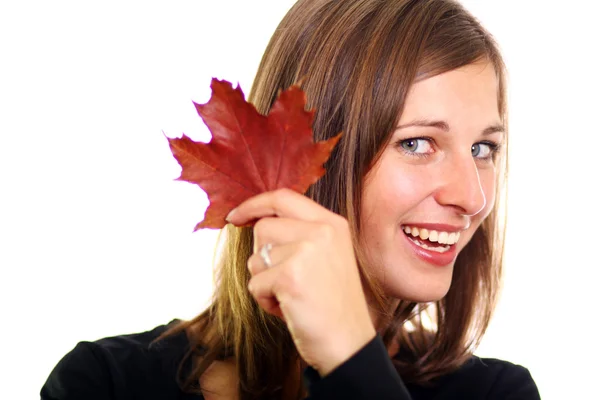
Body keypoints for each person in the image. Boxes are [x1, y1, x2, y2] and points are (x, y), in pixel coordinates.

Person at [41, 0, 541, 399]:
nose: (472, 197)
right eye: (416, 143)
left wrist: (352, 360)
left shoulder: (497, 392)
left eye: (483, 149)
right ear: (310, 150)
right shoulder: (105, 384)